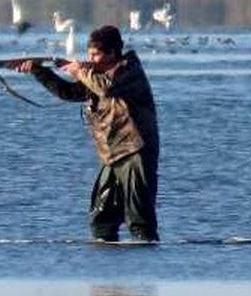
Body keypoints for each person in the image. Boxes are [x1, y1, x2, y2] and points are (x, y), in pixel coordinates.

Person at [10, 25, 160, 242]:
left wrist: (79, 70)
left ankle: (146, 255)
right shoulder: (95, 75)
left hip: (135, 150)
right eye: (89, 54)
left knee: (139, 218)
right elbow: (68, 92)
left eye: (96, 54)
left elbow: (106, 87)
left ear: (112, 53)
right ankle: (103, 256)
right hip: (111, 154)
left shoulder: (129, 69)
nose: (91, 58)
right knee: (101, 219)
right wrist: (38, 71)